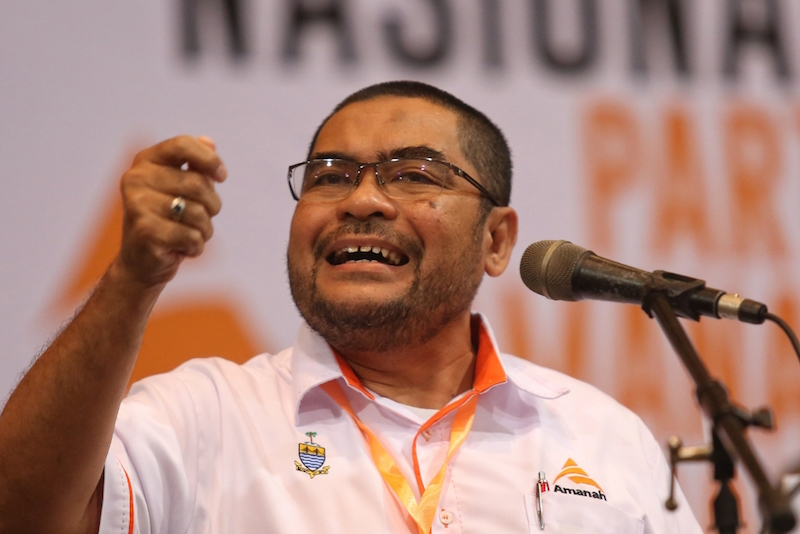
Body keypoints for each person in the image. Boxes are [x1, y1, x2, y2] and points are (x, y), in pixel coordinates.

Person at [0, 81, 703, 533]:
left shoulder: (600, 437)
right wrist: (131, 279)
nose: (362, 200)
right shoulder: (207, 417)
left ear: (496, 240)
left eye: (413, 175)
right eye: (330, 177)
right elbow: (20, 514)